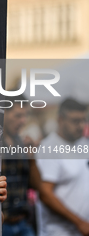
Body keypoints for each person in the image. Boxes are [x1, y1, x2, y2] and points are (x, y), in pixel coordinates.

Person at [36, 98, 89, 236]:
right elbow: (46, 194)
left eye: (83, 120)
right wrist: (80, 222)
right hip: (59, 231)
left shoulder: (82, 143)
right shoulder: (49, 148)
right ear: (60, 119)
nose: (80, 125)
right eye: (75, 121)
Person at [1, 94, 41, 236]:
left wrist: (31, 157)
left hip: (23, 223)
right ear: (3, 112)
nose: (23, 121)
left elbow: (36, 185)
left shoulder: (21, 143)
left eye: (25, 116)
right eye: (18, 116)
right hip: (1, 226)